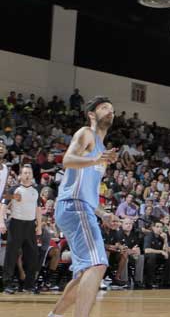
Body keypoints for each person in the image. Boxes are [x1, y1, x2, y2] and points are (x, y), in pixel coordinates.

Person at [48, 96, 118, 317]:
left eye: (112, 108)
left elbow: (88, 190)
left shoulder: (102, 151)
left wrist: (102, 213)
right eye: (104, 107)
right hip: (73, 206)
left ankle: (55, 316)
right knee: (98, 265)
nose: (110, 111)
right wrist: (96, 159)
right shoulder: (86, 133)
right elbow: (67, 160)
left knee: (86, 274)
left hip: (80, 207)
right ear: (91, 114)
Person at [0, 165, 42, 294]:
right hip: (15, 224)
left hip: (30, 226)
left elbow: (38, 209)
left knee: (32, 256)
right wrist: (1, 222)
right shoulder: (13, 189)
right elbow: (3, 205)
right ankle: (7, 284)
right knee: (11, 255)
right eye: (25, 173)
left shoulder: (36, 191)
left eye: (29, 173)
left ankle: (29, 285)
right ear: (20, 175)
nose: (27, 175)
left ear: (32, 175)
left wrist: (39, 225)